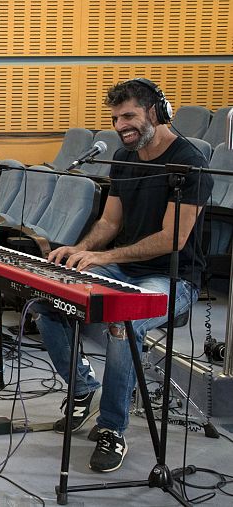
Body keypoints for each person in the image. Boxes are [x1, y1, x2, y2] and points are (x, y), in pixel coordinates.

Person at [34, 78, 212, 473]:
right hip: (123, 266)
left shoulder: (190, 163)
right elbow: (110, 221)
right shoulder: (123, 156)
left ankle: (112, 427)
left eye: (128, 116)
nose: (120, 126)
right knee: (48, 302)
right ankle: (82, 390)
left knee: (122, 320)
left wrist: (104, 257)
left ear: (156, 112)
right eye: (115, 118)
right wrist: (84, 250)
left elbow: (173, 239)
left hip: (173, 278)